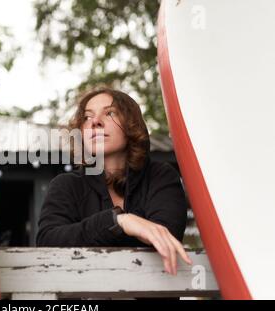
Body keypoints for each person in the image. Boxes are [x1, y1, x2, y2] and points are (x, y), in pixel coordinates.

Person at [36, 87, 192, 275]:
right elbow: (48, 241)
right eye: (87, 117)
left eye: (110, 113)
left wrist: (89, 235)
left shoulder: (161, 176)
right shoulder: (65, 185)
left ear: (131, 125)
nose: (95, 122)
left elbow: (165, 236)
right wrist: (119, 222)